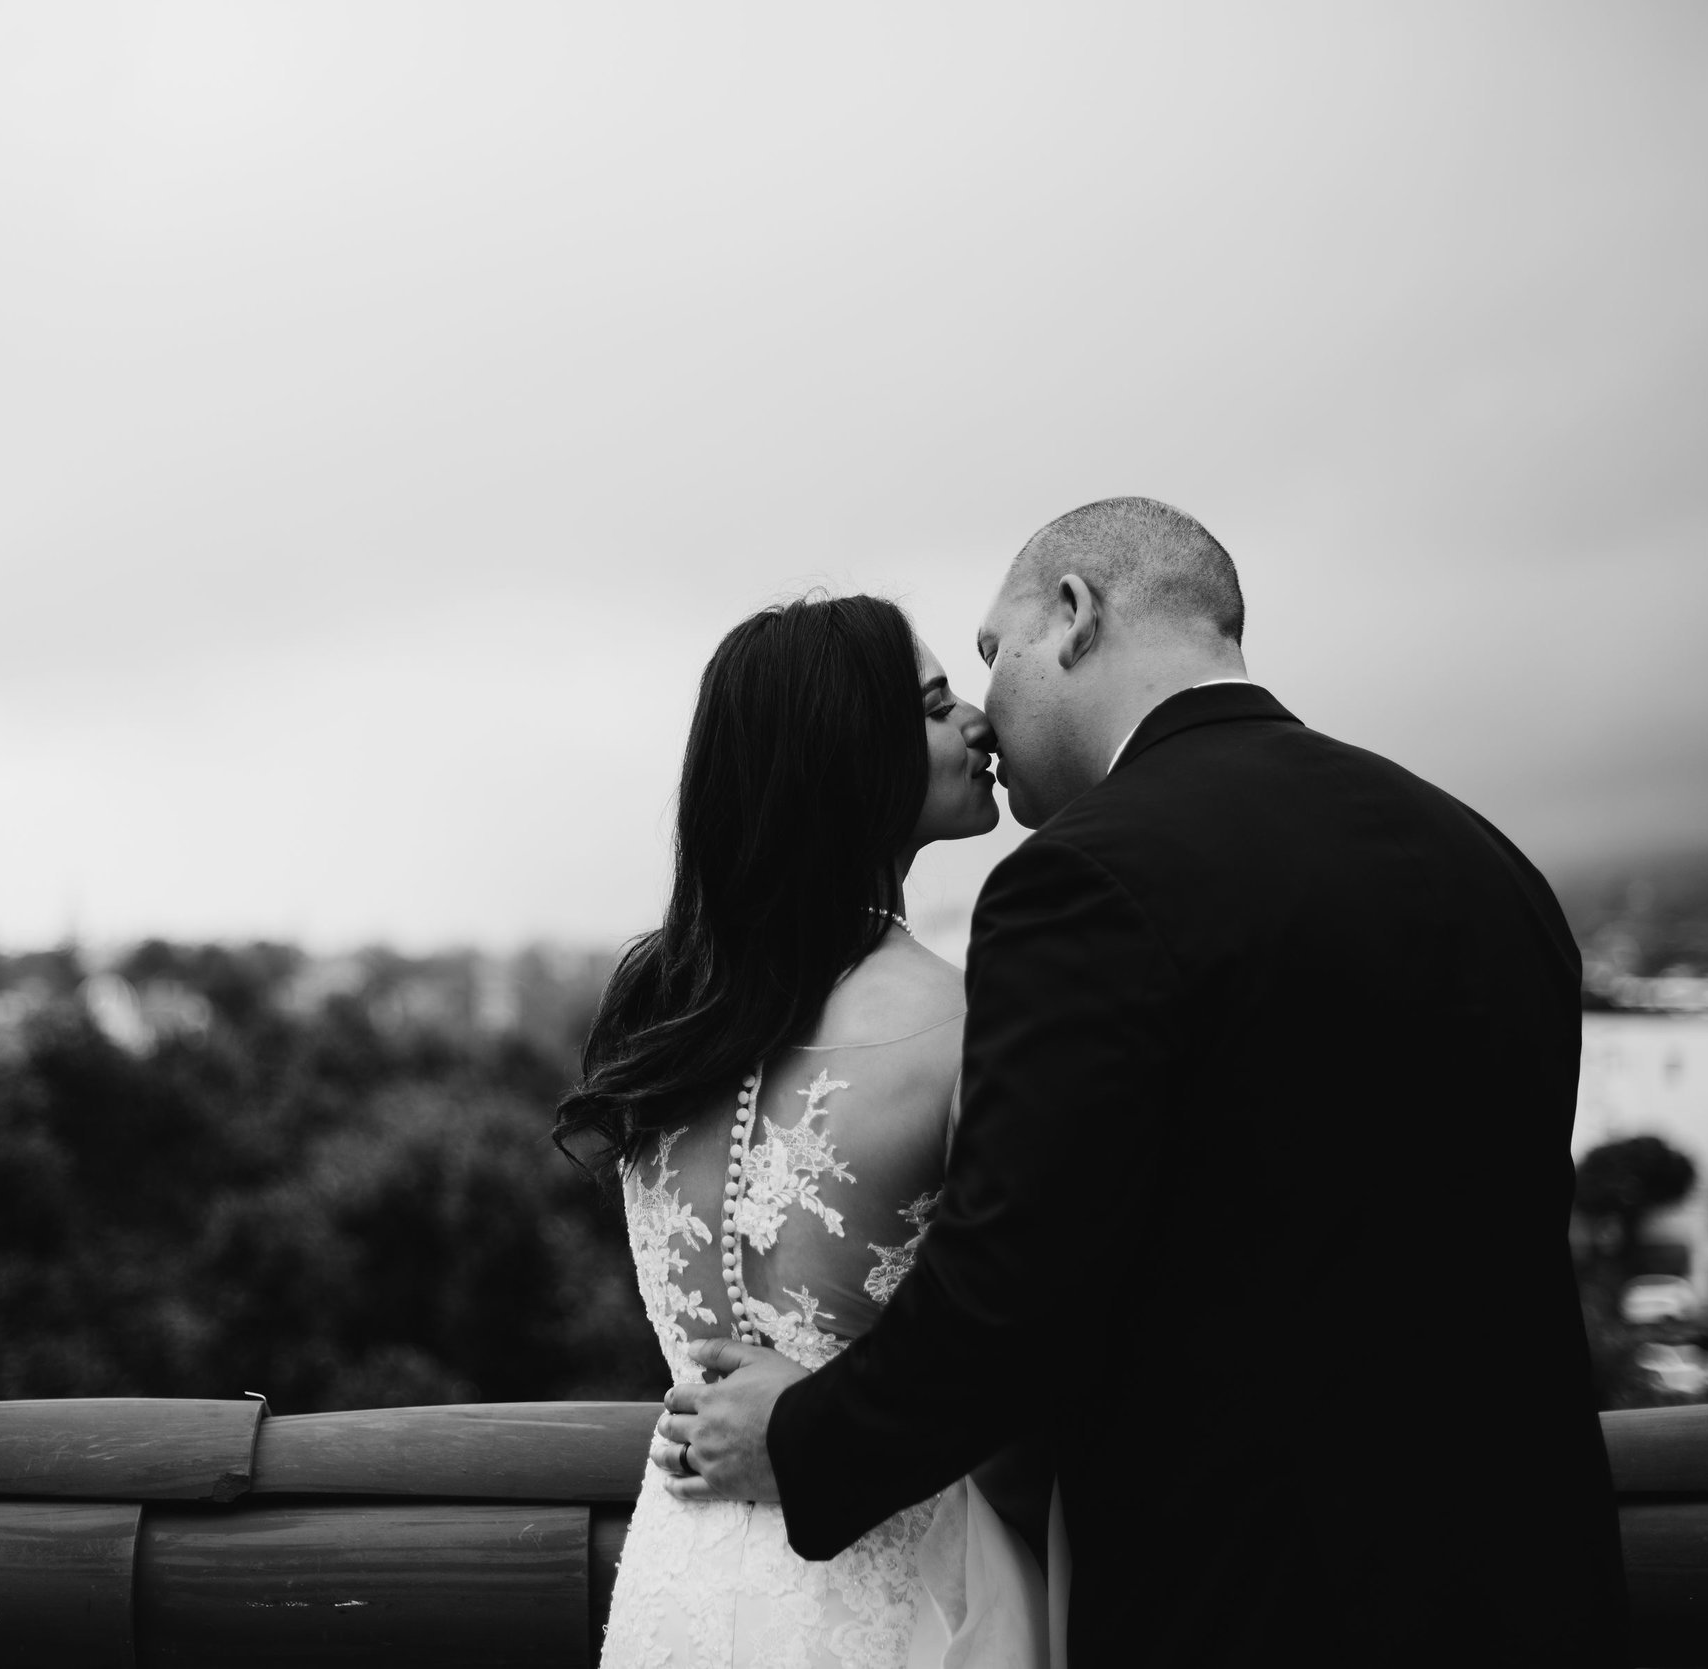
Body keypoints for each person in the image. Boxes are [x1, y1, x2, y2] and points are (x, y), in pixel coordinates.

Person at [654, 499, 1630, 1667]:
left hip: (1244, 1605)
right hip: (1532, 1592)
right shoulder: (1490, 865)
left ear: (1070, 618)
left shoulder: (1084, 881)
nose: (985, 715)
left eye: (988, 656)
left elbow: (1008, 1294)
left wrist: (804, 1442)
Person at [559, 593, 1056, 1667]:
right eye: (933, 707)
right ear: (852, 758)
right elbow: (1019, 1342)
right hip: (896, 1589)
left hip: (683, 1584)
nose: (978, 719)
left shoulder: (661, 1014)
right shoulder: (967, 1025)